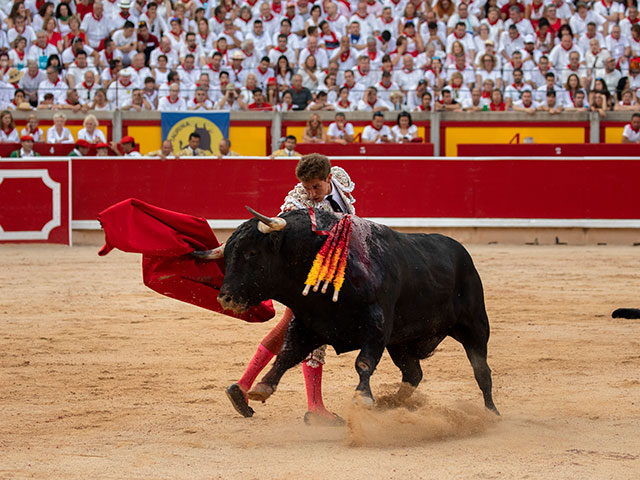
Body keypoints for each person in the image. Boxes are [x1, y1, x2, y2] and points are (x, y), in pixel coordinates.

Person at [225, 153, 356, 425]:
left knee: (287, 327)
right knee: (313, 334)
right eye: (306, 187)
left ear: (329, 179)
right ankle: (315, 407)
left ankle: (243, 384)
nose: (311, 193)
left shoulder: (340, 180)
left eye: (316, 187)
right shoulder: (295, 203)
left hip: (334, 269)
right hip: (308, 277)